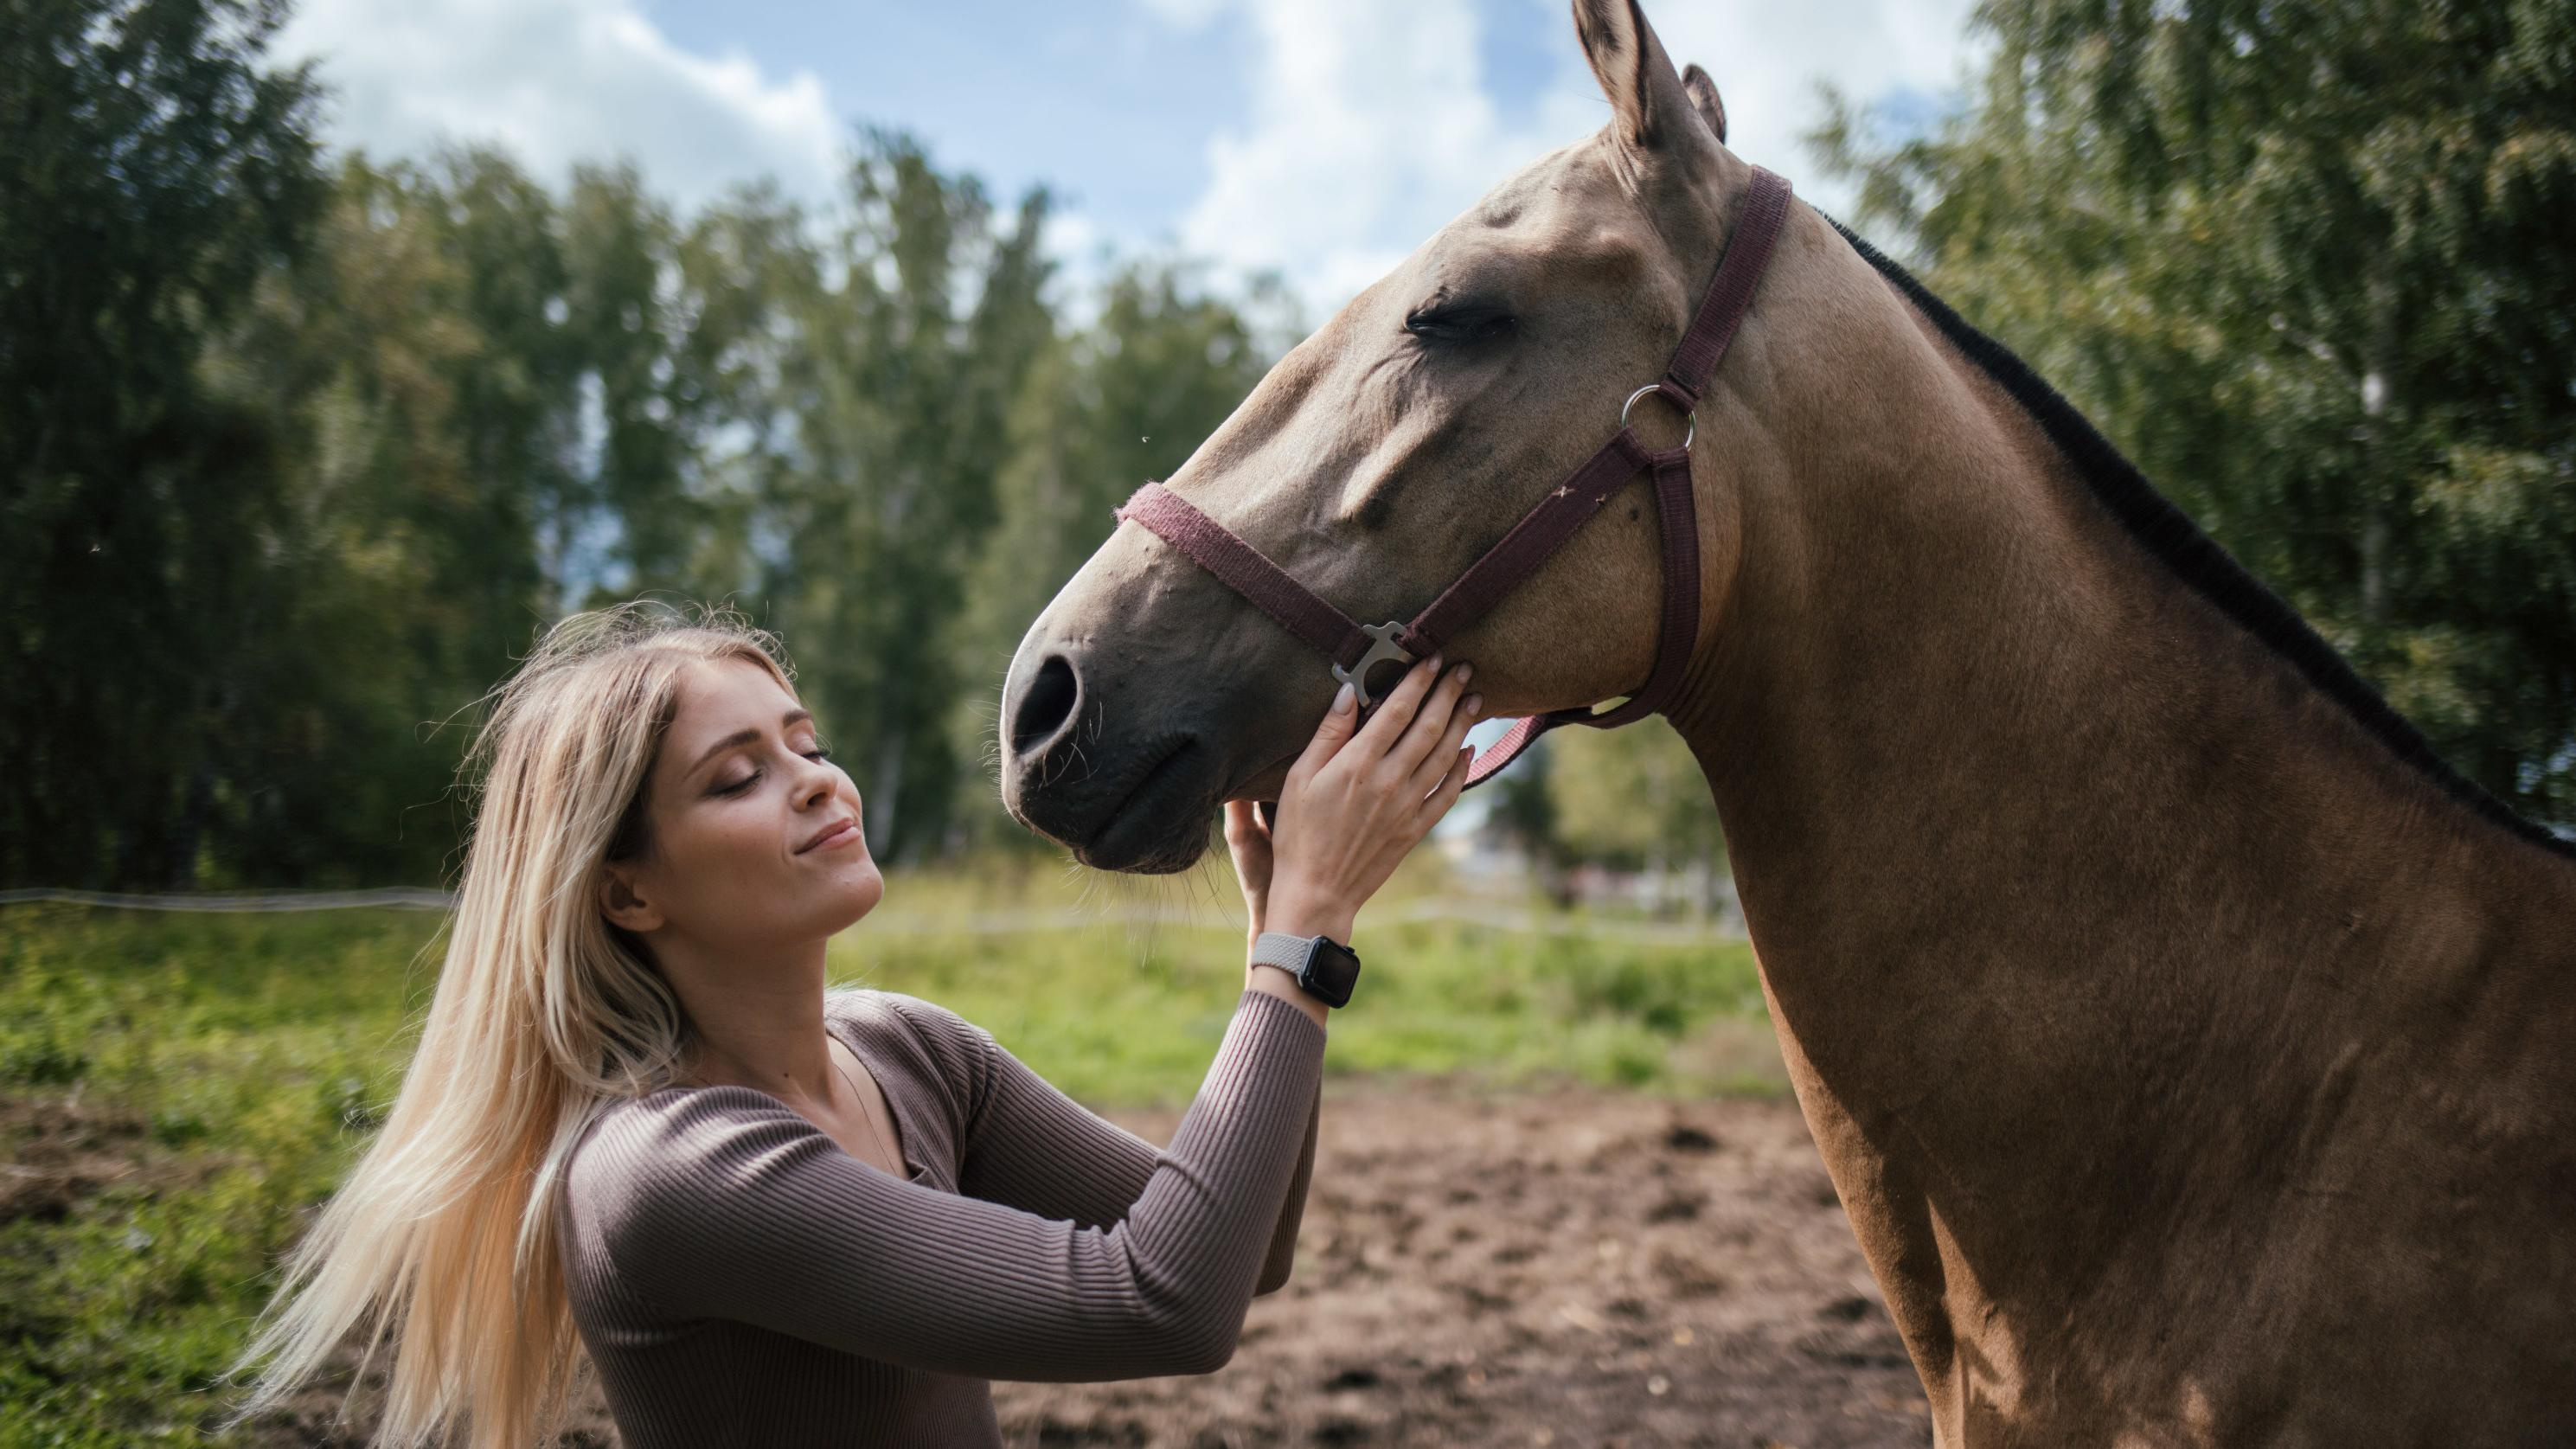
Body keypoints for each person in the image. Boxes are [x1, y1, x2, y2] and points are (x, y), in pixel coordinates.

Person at [231, 602, 1483, 1449]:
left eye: (807, 743)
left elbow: (1239, 1253)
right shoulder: (673, 1174)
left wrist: (1285, 920)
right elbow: (1162, 1303)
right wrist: (1300, 941)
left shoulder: (908, 1050)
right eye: (737, 776)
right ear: (625, 890)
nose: (818, 779)